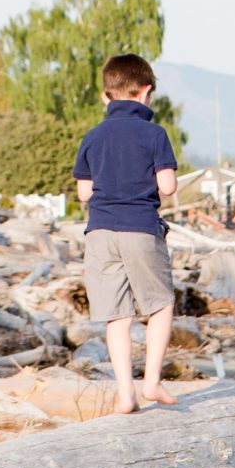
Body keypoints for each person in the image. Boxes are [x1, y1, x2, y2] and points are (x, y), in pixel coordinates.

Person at [72, 52, 180, 412]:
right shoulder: (154, 134)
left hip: (100, 230)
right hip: (140, 228)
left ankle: (125, 394)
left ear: (106, 96)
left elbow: (84, 193)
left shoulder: (92, 136)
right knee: (160, 304)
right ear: (146, 92)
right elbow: (167, 186)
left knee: (117, 315)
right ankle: (151, 381)